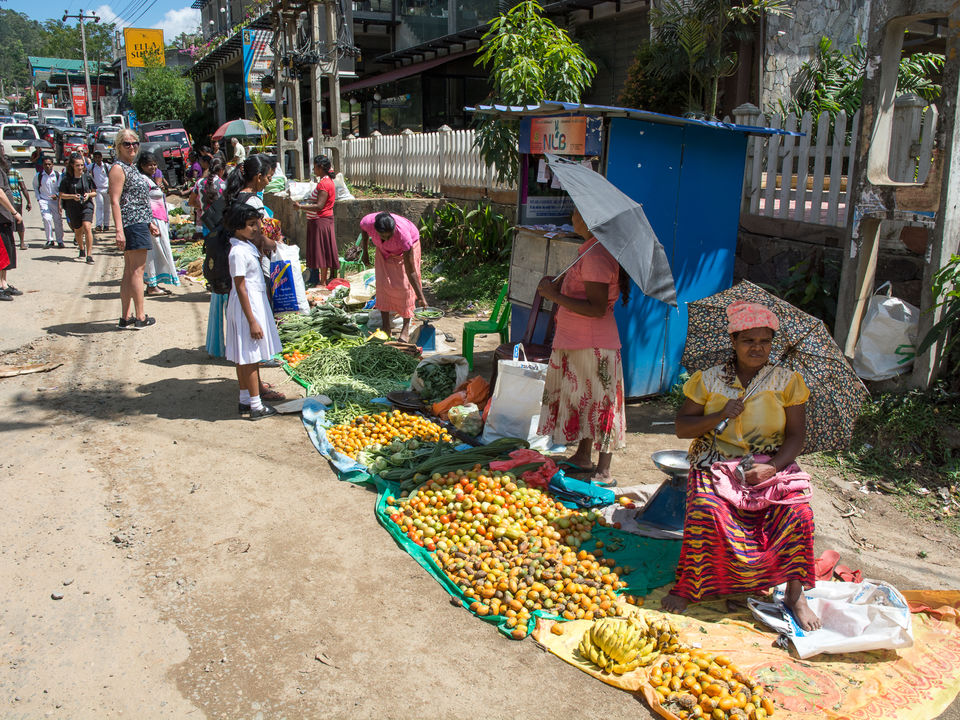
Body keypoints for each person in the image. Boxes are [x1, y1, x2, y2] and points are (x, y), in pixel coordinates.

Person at [663, 301, 820, 631]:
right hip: (716, 459)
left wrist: (772, 467)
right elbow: (682, 427)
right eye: (748, 340)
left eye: (765, 341)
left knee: (799, 514)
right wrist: (720, 414)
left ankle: (795, 595)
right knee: (706, 509)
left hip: (770, 462)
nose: (757, 348)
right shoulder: (709, 380)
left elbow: (797, 437)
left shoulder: (786, 381)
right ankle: (691, 585)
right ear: (733, 341)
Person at [535, 209, 629, 486]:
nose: (572, 217)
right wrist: (557, 286)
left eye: (576, 213)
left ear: (590, 220)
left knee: (602, 405)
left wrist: (554, 296)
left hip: (593, 345)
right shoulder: (591, 250)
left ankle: (604, 470)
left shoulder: (597, 255)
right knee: (585, 400)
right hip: (578, 342)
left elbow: (597, 308)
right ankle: (583, 456)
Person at [224, 202, 281, 420]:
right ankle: (256, 405)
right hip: (246, 308)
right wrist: (252, 321)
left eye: (256, 223)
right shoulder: (238, 252)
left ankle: (245, 399)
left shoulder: (246, 246)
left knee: (245, 356)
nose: (256, 228)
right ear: (237, 227)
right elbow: (240, 287)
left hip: (251, 304)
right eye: (250, 224)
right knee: (249, 357)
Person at [109, 128, 158, 329]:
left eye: (135, 143)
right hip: (132, 224)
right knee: (137, 271)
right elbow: (115, 201)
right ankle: (140, 316)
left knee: (129, 271)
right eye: (127, 144)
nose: (132, 147)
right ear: (118, 146)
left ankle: (125, 316)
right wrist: (119, 230)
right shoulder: (118, 169)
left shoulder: (130, 168)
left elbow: (138, 200)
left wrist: (149, 221)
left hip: (138, 222)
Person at [359, 211, 427, 343]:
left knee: (405, 287)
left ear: (394, 229)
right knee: (383, 284)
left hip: (405, 251)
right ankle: (386, 327)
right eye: (383, 236)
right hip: (384, 251)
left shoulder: (403, 236)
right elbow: (364, 231)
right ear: (376, 230)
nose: (387, 238)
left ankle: (405, 330)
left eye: (390, 235)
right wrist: (365, 251)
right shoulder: (368, 222)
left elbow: (411, 271)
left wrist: (421, 297)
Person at [137, 152, 180, 295]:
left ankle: (153, 284)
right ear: (142, 166)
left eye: (155, 164)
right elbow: (143, 203)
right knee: (153, 253)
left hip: (159, 219)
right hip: (153, 221)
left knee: (159, 252)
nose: (153, 167)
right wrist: (150, 223)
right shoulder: (143, 180)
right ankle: (152, 285)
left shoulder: (150, 179)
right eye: (149, 165)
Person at [300, 154, 337, 287]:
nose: (313, 170)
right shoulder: (326, 181)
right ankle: (328, 277)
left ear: (320, 167)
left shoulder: (324, 183)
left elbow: (319, 206)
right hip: (322, 220)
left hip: (320, 220)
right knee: (325, 249)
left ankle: (322, 281)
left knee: (321, 251)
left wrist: (300, 206)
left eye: (315, 167)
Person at [59, 153, 97, 262]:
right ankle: (81, 248)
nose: (80, 168)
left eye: (81, 165)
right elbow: (61, 194)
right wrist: (72, 196)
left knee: (87, 227)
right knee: (78, 230)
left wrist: (88, 195)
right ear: (72, 166)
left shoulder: (87, 177)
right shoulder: (66, 179)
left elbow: (94, 192)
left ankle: (89, 255)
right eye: (77, 165)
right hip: (73, 207)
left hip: (87, 205)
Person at [0, 151, 24, 299]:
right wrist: (14, 212)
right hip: (1, 218)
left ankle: (3, 284)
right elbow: (0, 193)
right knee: (1, 253)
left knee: (6, 253)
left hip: (4, 219)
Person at [33, 156, 65, 249]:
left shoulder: (58, 175)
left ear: (52, 164)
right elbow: (35, 187)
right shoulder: (39, 176)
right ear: (42, 165)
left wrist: (57, 196)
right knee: (46, 219)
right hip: (44, 200)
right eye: (45, 164)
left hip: (55, 202)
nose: (47, 166)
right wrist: (39, 198)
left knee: (58, 221)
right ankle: (50, 240)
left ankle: (60, 241)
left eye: (49, 164)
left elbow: (62, 188)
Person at [6, 151, 32, 250]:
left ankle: (11, 243)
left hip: (5, 202)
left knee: (7, 222)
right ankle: (21, 243)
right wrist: (28, 202)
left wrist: (29, 201)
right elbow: (23, 188)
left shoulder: (3, 172)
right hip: (16, 201)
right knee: (19, 221)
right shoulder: (16, 172)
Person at [91, 150, 111, 232]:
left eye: (99, 157)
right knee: (99, 206)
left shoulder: (106, 166)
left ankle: (106, 224)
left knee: (107, 208)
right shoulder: (92, 166)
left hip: (107, 189)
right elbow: (84, 168)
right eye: (95, 158)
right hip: (98, 189)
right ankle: (99, 225)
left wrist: (111, 187)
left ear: (101, 158)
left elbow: (111, 175)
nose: (97, 159)